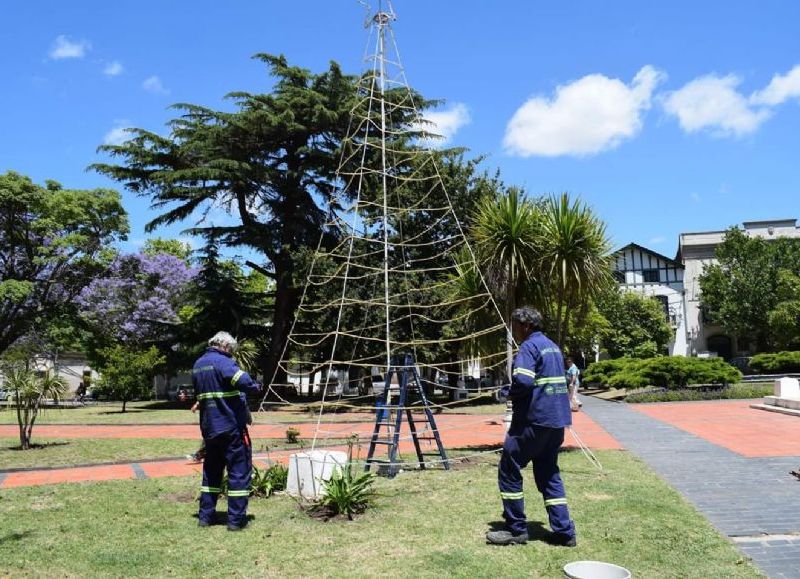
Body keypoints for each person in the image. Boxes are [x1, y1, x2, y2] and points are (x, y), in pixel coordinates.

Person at [486, 307, 577, 547]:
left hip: (533, 422)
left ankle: (516, 529)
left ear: (526, 326)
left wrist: (508, 393)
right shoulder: (552, 347)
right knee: (549, 474)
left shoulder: (528, 347)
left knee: (509, 468)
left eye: (515, 326)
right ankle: (564, 532)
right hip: (556, 422)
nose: (514, 332)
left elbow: (524, 381)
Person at [192, 331, 261, 531]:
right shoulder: (224, 362)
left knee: (211, 473)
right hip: (231, 428)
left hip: (210, 429)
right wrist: (256, 386)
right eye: (230, 349)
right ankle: (236, 521)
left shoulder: (198, 365)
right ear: (223, 345)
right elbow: (245, 382)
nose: (231, 353)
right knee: (239, 472)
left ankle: (205, 517)